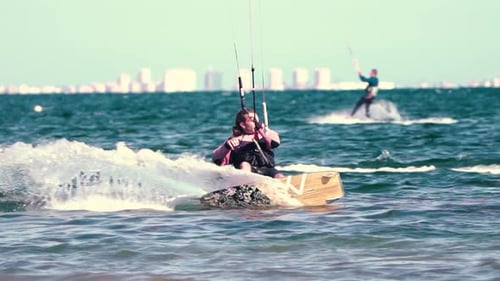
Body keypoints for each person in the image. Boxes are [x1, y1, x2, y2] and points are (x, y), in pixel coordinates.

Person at [212, 108, 284, 178]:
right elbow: (216, 157)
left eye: (257, 120)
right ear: (243, 125)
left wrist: (261, 131)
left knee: (279, 176)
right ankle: (245, 184)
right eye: (253, 120)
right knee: (245, 164)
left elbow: (276, 142)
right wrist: (226, 146)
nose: (256, 122)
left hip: (267, 169)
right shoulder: (235, 140)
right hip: (247, 171)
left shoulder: (266, 134)